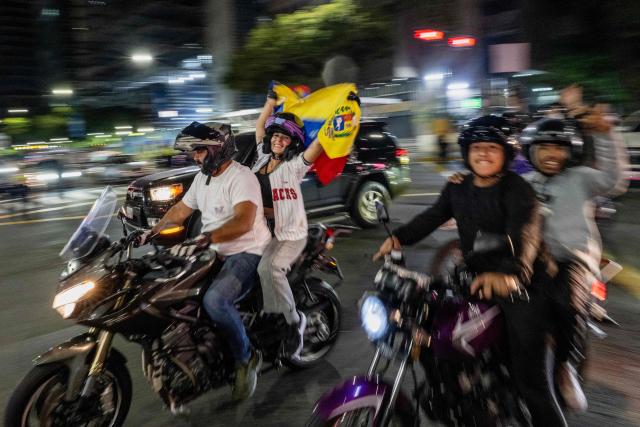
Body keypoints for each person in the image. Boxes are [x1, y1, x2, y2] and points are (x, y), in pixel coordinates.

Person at [374, 115, 567, 426]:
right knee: (432, 322)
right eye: (477, 147)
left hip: (522, 286)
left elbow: (526, 235)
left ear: (506, 153)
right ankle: (456, 388)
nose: (484, 153)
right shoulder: (459, 187)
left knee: (530, 381)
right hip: (476, 277)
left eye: (492, 147)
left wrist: (513, 275)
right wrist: (399, 238)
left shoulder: (518, 189)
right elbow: (433, 215)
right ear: (466, 151)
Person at [141, 121, 272, 401]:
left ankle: (245, 359)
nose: (195, 156)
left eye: (199, 151)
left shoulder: (242, 177)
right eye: (194, 152)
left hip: (246, 251)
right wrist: (150, 232)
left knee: (215, 300)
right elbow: (180, 210)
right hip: (214, 250)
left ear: (219, 148)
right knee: (173, 291)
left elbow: (244, 221)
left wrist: (205, 238)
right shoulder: (204, 178)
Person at [517, 86, 629, 412]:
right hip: (534, 258)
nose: (552, 154)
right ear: (532, 152)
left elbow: (614, 179)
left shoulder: (580, 178)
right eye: (544, 148)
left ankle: (565, 367)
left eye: (559, 148)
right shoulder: (526, 184)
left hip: (573, 259)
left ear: (570, 151)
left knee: (565, 300)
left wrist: (607, 135)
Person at [252, 92, 326, 358]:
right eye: (276, 136)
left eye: (284, 138)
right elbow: (260, 126)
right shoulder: (261, 158)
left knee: (269, 268)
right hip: (259, 233)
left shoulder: (294, 166)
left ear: (292, 143)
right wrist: (269, 103)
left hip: (289, 234)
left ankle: (294, 322)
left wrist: (338, 117)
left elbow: (316, 147)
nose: (277, 140)